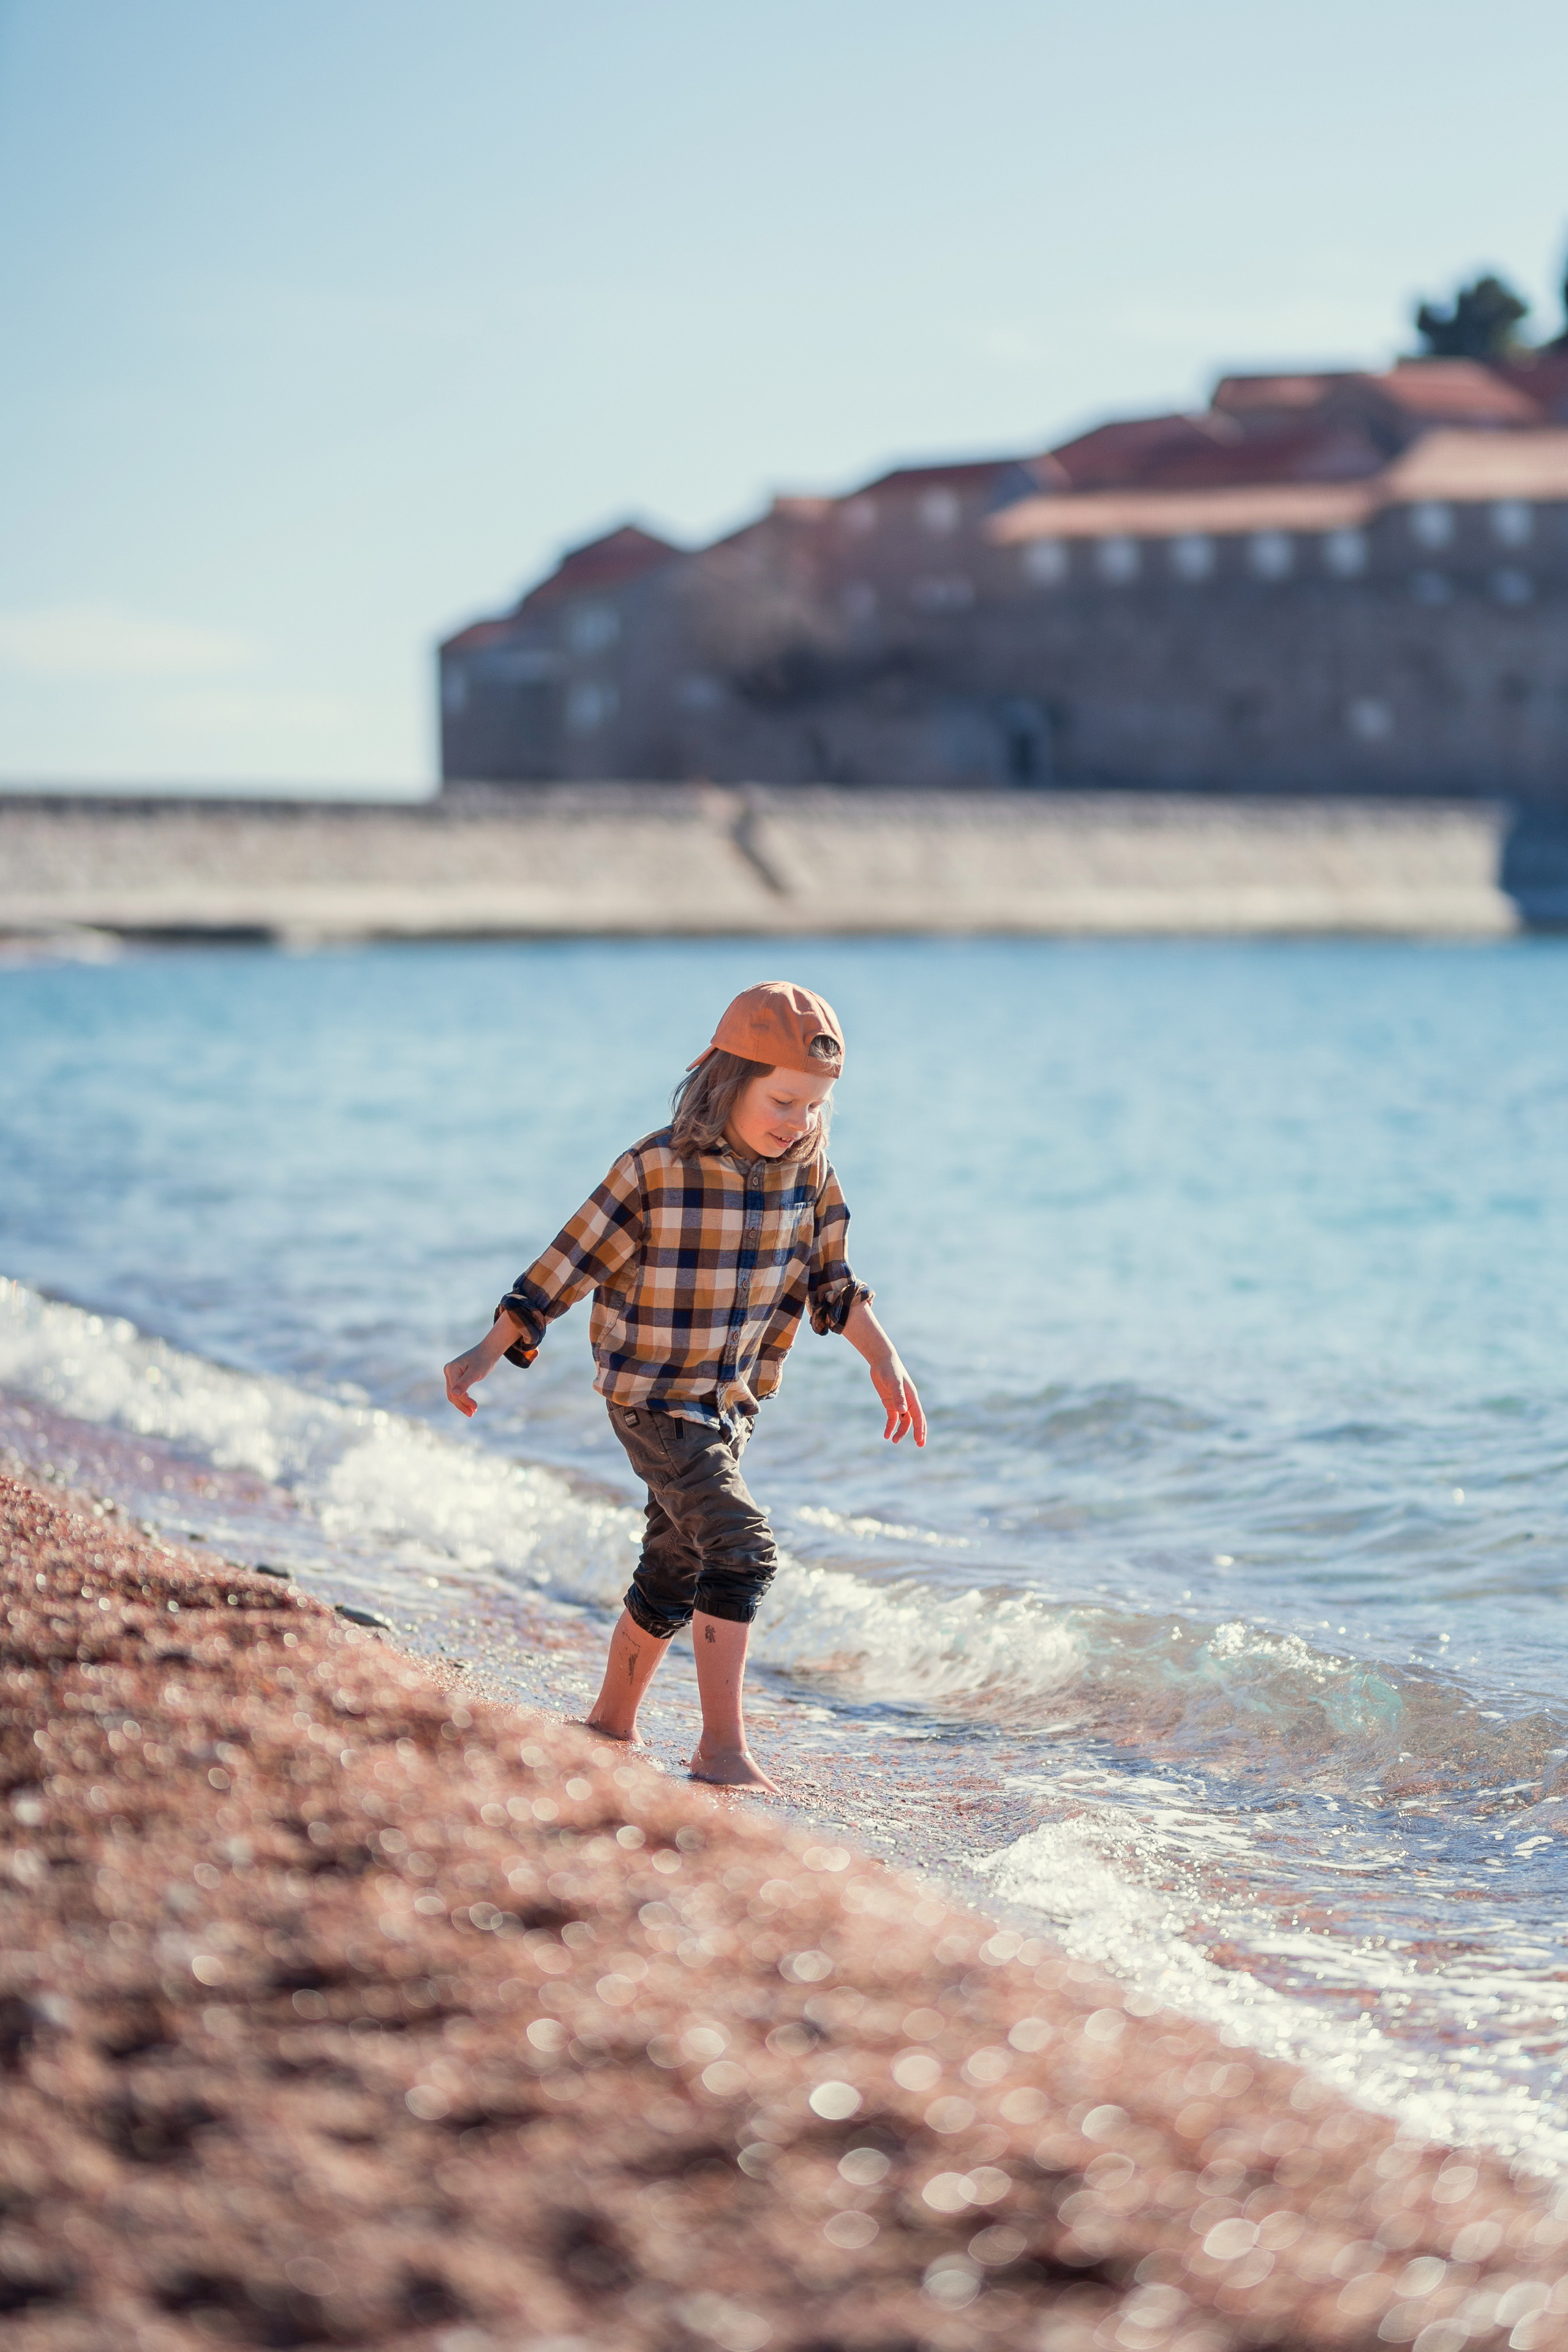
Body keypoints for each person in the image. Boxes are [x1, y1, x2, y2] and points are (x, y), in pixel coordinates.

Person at [443, 980, 924, 1792]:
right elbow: (569, 1262)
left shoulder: (809, 1177)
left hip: (727, 1405)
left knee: (673, 1568)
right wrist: (489, 1350)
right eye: (781, 1101)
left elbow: (833, 1283)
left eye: (813, 1108)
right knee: (740, 1548)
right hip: (651, 1398)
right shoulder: (654, 1168)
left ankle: (607, 1727)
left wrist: (884, 1356)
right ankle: (720, 1751)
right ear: (727, 1079)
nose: (797, 1123)